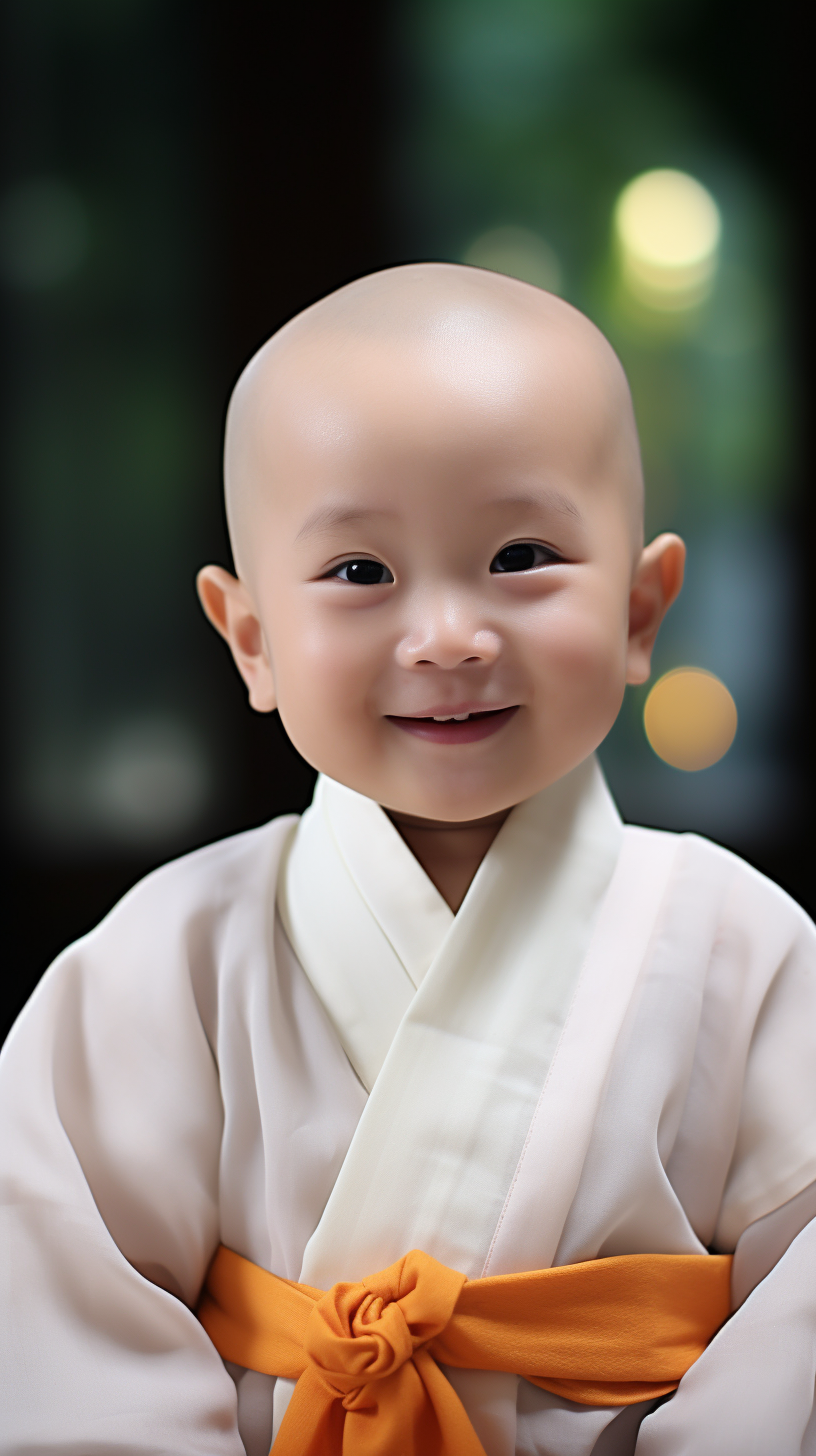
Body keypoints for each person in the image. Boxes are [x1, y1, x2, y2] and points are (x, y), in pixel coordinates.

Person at [1, 263, 815, 1456]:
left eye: (523, 554)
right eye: (362, 573)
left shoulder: (746, 947)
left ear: (642, 613)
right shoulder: (166, 957)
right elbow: (56, 1289)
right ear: (255, 639)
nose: (447, 636)